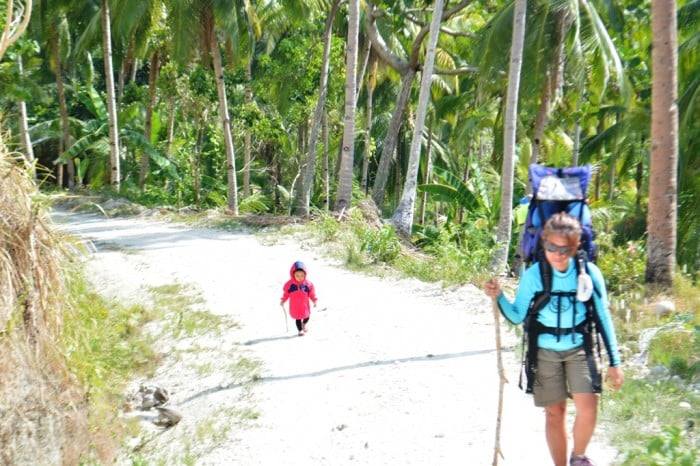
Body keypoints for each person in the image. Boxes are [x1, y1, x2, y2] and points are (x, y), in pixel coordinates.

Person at [484, 212, 624, 466]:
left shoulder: (589, 273)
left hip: (580, 348)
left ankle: (578, 457)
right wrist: (499, 296)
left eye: (565, 249)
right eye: (552, 247)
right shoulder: (534, 275)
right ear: (544, 242)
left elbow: (603, 317)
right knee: (555, 413)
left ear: (577, 246)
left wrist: (616, 362)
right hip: (544, 352)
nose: (558, 254)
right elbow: (517, 315)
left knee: (588, 407)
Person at [281, 261, 318, 336]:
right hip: (295, 306)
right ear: (293, 275)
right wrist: (283, 300)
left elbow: (311, 293)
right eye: (297, 275)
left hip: (304, 305)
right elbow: (286, 294)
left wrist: (314, 301)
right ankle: (300, 330)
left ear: (305, 275)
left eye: (302, 275)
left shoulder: (308, 284)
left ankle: (303, 324)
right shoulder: (290, 285)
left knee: (307, 317)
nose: (300, 277)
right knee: (298, 318)